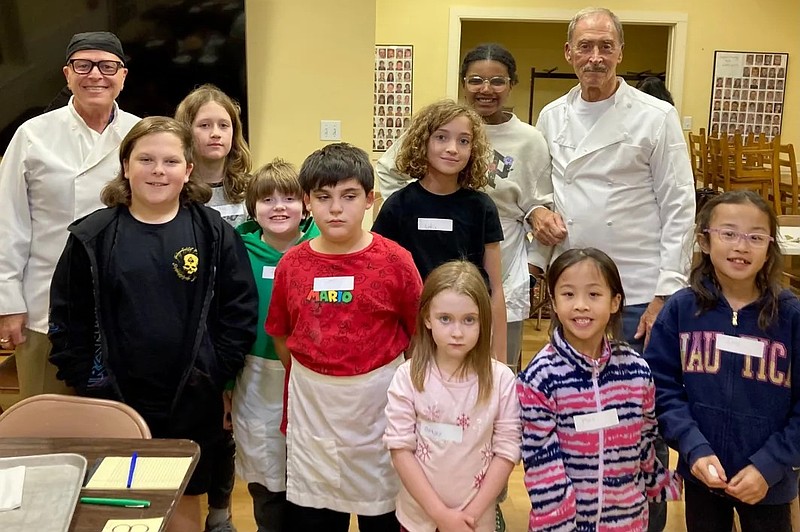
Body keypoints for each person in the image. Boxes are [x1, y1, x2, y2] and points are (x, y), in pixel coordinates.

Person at [48, 116, 258, 532]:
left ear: (188, 170)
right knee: (118, 505)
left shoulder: (213, 233)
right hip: (113, 399)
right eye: (145, 159)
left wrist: (212, 371)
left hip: (190, 397)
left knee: (183, 503)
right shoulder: (92, 237)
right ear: (126, 166)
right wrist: (90, 380)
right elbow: (67, 320)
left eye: (170, 161)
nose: (158, 170)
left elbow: (239, 311)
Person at [530, 11, 695, 529]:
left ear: (620, 51)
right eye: (585, 47)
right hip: (576, 290)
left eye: (605, 46)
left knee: (641, 418)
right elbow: (542, 190)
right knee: (576, 409)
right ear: (568, 52)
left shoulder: (654, 116)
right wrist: (539, 216)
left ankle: (646, 516)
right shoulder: (552, 116)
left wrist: (670, 289)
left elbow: (679, 203)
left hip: (641, 289)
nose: (595, 57)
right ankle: (578, 513)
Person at [265, 143, 423, 531]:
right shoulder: (293, 263)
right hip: (313, 407)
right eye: (323, 197)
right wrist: (320, 374)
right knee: (316, 519)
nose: (336, 208)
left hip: (379, 406)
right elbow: (281, 334)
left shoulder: (395, 260)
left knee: (382, 516)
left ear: (370, 199)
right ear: (307, 202)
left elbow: (418, 333)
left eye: (349, 196)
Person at [377, 44, 551, 374]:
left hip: (487, 283)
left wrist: (533, 266)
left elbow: (539, 205)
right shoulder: (402, 206)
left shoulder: (486, 197)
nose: (452, 148)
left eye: (497, 80)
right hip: (419, 318)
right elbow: (385, 275)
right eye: (476, 80)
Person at [645, 191, 800, 532]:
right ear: (704, 239)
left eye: (755, 237)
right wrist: (693, 448)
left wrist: (769, 465)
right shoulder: (681, 310)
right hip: (703, 476)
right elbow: (662, 388)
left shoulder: (790, 317)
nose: (741, 247)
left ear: (770, 247)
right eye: (728, 233)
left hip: (768, 483)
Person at [0, 31, 140, 398]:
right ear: (67, 74)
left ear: (123, 75)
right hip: (45, 306)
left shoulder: (140, 134)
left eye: (107, 66)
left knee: (120, 427)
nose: (96, 74)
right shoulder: (33, 135)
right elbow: (8, 223)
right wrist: (8, 303)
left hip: (126, 305)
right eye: (83, 65)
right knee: (47, 427)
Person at [517, 247, 681, 531]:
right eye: (568, 294)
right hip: (565, 525)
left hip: (628, 519)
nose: (581, 305)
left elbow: (646, 441)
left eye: (594, 295)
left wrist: (665, 484)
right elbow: (542, 464)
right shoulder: (539, 377)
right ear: (553, 302)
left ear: (615, 302)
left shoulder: (636, 370)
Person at [384, 260, 521, 532]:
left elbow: (506, 450)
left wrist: (470, 515)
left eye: (469, 320)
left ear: (483, 320)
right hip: (417, 518)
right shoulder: (407, 376)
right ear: (427, 319)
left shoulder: (501, 380)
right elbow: (400, 448)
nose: (457, 332)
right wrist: (440, 515)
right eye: (445, 319)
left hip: (475, 521)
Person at [372, 100, 508, 367]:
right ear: (423, 142)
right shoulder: (398, 206)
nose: (452, 149)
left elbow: (495, 287)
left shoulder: (481, 207)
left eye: (463, 141)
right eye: (441, 137)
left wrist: (500, 359)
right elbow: (381, 281)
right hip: (415, 335)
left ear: (474, 149)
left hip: (467, 331)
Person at [232, 159, 319, 532]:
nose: (279, 207)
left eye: (288, 198)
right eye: (267, 199)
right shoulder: (237, 250)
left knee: (309, 468)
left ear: (306, 205)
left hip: (312, 376)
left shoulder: (322, 247)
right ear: (253, 207)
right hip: (255, 375)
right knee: (265, 469)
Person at [175, 83, 253, 227]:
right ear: (186, 132)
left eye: (223, 125)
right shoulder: (174, 190)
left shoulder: (253, 189)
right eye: (204, 125)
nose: (215, 134)